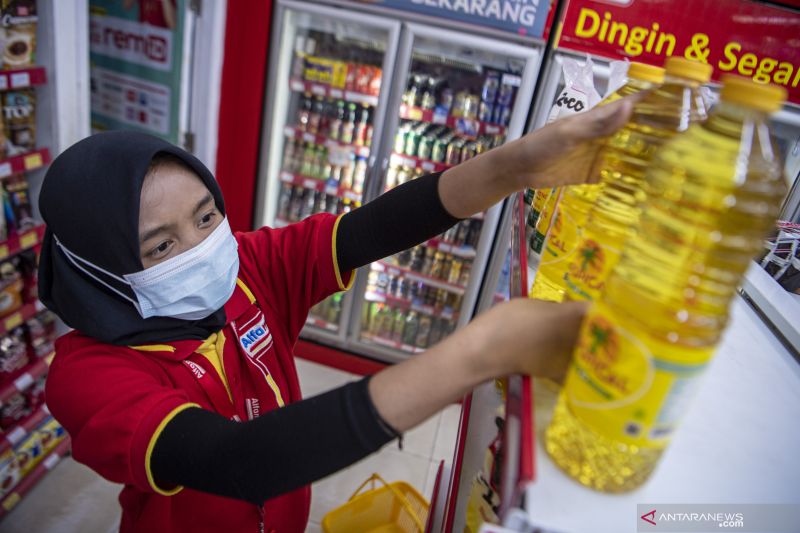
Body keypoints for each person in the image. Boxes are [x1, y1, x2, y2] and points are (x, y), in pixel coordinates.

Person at [39, 96, 635, 533]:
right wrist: (480, 354)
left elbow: (370, 229)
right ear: (101, 269)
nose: (203, 250)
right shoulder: (87, 377)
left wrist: (515, 168)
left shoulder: (247, 267)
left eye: (205, 216)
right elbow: (238, 460)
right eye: (162, 246)